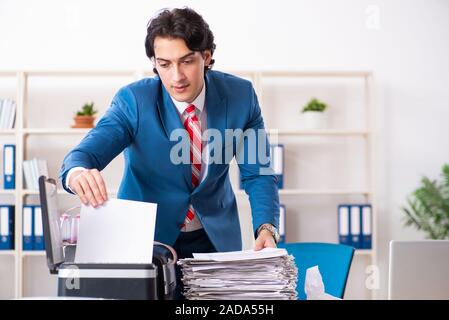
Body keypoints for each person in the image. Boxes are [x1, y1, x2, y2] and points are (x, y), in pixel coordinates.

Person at [59, 7, 280, 299]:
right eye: (164, 64)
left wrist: (266, 227)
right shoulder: (134, 101)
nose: (176, 76)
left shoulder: (241, 96)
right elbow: (81, 156)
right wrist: (78, 173)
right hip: (146, 244)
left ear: (207, 56)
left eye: (187, 61)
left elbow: (258, 174)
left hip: (212, 242)